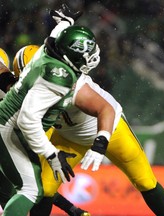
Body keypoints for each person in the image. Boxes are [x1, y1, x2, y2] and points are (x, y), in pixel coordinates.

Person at [9, 6, 164, 216]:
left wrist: (100, 143)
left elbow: (104, 110)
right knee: (44, 189)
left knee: (145, 180)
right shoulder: (31, 83)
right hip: (69, 137)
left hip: (107, 129)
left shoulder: (68, 82)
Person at [0, 7, 101, 216]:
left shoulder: (47, 53)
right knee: (29, 190)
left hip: (10, 126)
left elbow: (53, 41)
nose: (92, 56)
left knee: (31, 185)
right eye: (87, 52)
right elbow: (28, 120)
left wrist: (65, 23)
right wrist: (52, 154)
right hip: (10, 128)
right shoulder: (60, 78)